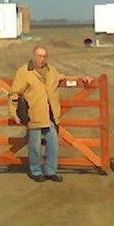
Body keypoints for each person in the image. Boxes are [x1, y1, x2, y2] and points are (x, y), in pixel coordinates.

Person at [9, 45, 91, 182]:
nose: (41, 59)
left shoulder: (51, 70)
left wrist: (82, 78)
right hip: (34, 113)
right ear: (33, 55)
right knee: (34, 146)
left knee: (53, 145)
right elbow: (14, 93)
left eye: (44, 56)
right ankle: (36, 171)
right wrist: (14, 114)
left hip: (51, 115)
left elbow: (63, 78)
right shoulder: (23, 72)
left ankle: (50, 171)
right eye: (39, 56)